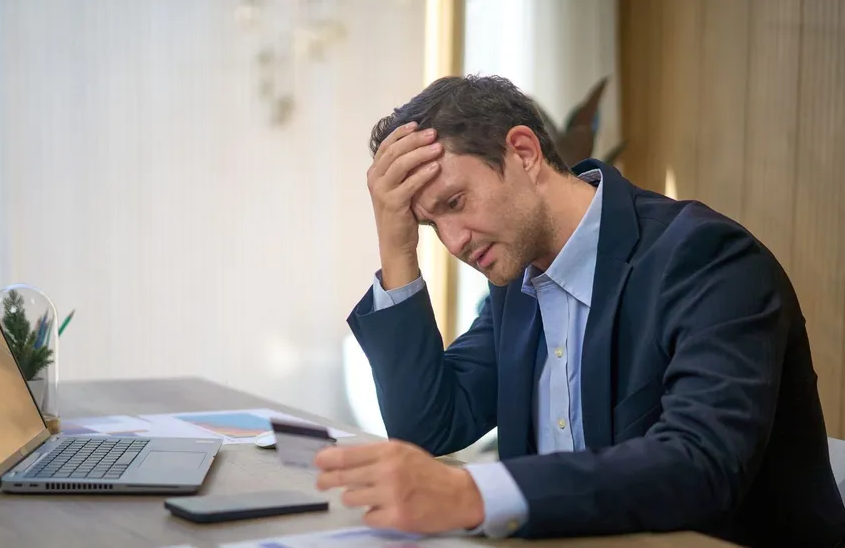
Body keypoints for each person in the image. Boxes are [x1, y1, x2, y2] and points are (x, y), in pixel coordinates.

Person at [312, 75, 845, 547]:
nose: (453, 242)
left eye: (455, 203)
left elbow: (700, 465)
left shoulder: (707, 261)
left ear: (523, 152)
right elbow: (429, 426)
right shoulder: (514, 287)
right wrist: (398, 248)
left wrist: (470, 492)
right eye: (432, 226)